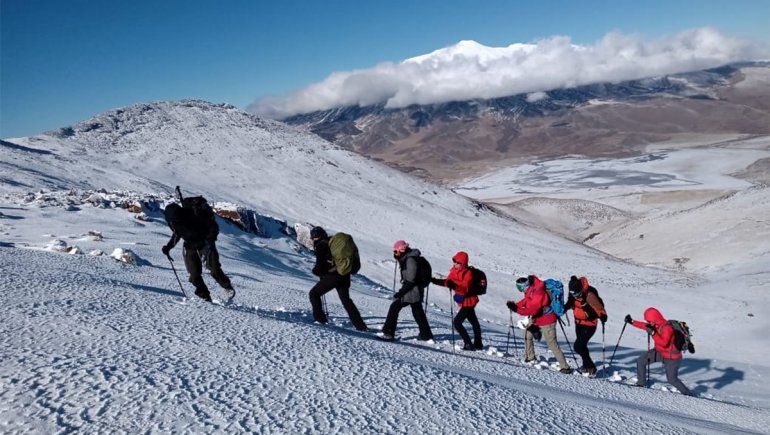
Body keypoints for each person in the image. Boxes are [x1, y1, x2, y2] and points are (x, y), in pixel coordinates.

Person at [162, 201, 235, 303]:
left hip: (205, 243)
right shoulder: (174, 222)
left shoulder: (193, 215)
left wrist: (210, 239)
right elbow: (177, 234)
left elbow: (213, 227)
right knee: (194, 275)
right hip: (190, 246)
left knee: (214, 269)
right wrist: (168, 247)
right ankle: (205, 297)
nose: (176, 221)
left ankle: (227, 287)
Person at [507, 275, 572, 374]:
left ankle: (565, 367)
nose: (519, 289)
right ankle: (530, 357)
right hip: (537, 319)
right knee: (527, 335)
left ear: (523, 286)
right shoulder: (532, 289)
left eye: (519, 287)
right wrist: (516, 305)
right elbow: (527, 300)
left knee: (552, 344)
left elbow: (533, 309)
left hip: (547, 321)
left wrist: (517, 309)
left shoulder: (538, 292)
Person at [308, 226, 368, 331]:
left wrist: (316, 271)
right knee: (346, 300)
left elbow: (320, 266)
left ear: (314, 237)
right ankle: (361, 326)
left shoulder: (321, 246)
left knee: (314, 294)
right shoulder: (331, 242)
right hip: (344, 273)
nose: (313, 240)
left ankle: (320, 321)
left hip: (334, 276)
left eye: (313, 237)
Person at [626, 308, 692, 395]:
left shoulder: (667, 328)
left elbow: (664, 343)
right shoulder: (655, 325)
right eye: (647, 321)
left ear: (654, 318)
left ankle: (688, 394)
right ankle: (641, 384)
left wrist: (653, 334)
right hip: (660, 352)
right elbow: (644, 325)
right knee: (641, 361)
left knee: (672, 379)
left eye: (649, 320)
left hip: (672, 357)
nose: (648, 322)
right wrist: (632, 321)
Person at [380, 240, 434, 341]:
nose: (395, 254)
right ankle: (426, 335)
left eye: (396, 251)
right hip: (415, 290)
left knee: (394, 307)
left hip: (412, 291)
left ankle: (388, 333)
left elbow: (410, 280)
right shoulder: (408, 258)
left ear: (402, 250)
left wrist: (400, 293)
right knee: (418, 312)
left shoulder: (410, 260)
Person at [431, 251, 483, 351]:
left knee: (457, 323)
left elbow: (465, 289)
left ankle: (468, 344)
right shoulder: (454, 271)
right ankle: (478, 343)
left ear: (462, 263)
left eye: (457, 262)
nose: (455, 264)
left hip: (469, 300)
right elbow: (448, 282)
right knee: (474, 322)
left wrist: (454, 285)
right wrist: (435, 281)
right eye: (454, 261)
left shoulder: (468, 274)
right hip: (463, 301)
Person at [565, 276, 607, 375]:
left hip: (589, 325)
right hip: (578, 323)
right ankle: (586, 367)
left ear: (580, 289)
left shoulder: (589, 295)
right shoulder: (572, 292)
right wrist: (563, 308)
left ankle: (591, 367)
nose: (574, 296)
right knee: (582, 346)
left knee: (578, 346)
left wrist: (603, 315)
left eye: (576, 294)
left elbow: (598, 308)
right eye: (573, 293)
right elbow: (570, 303)